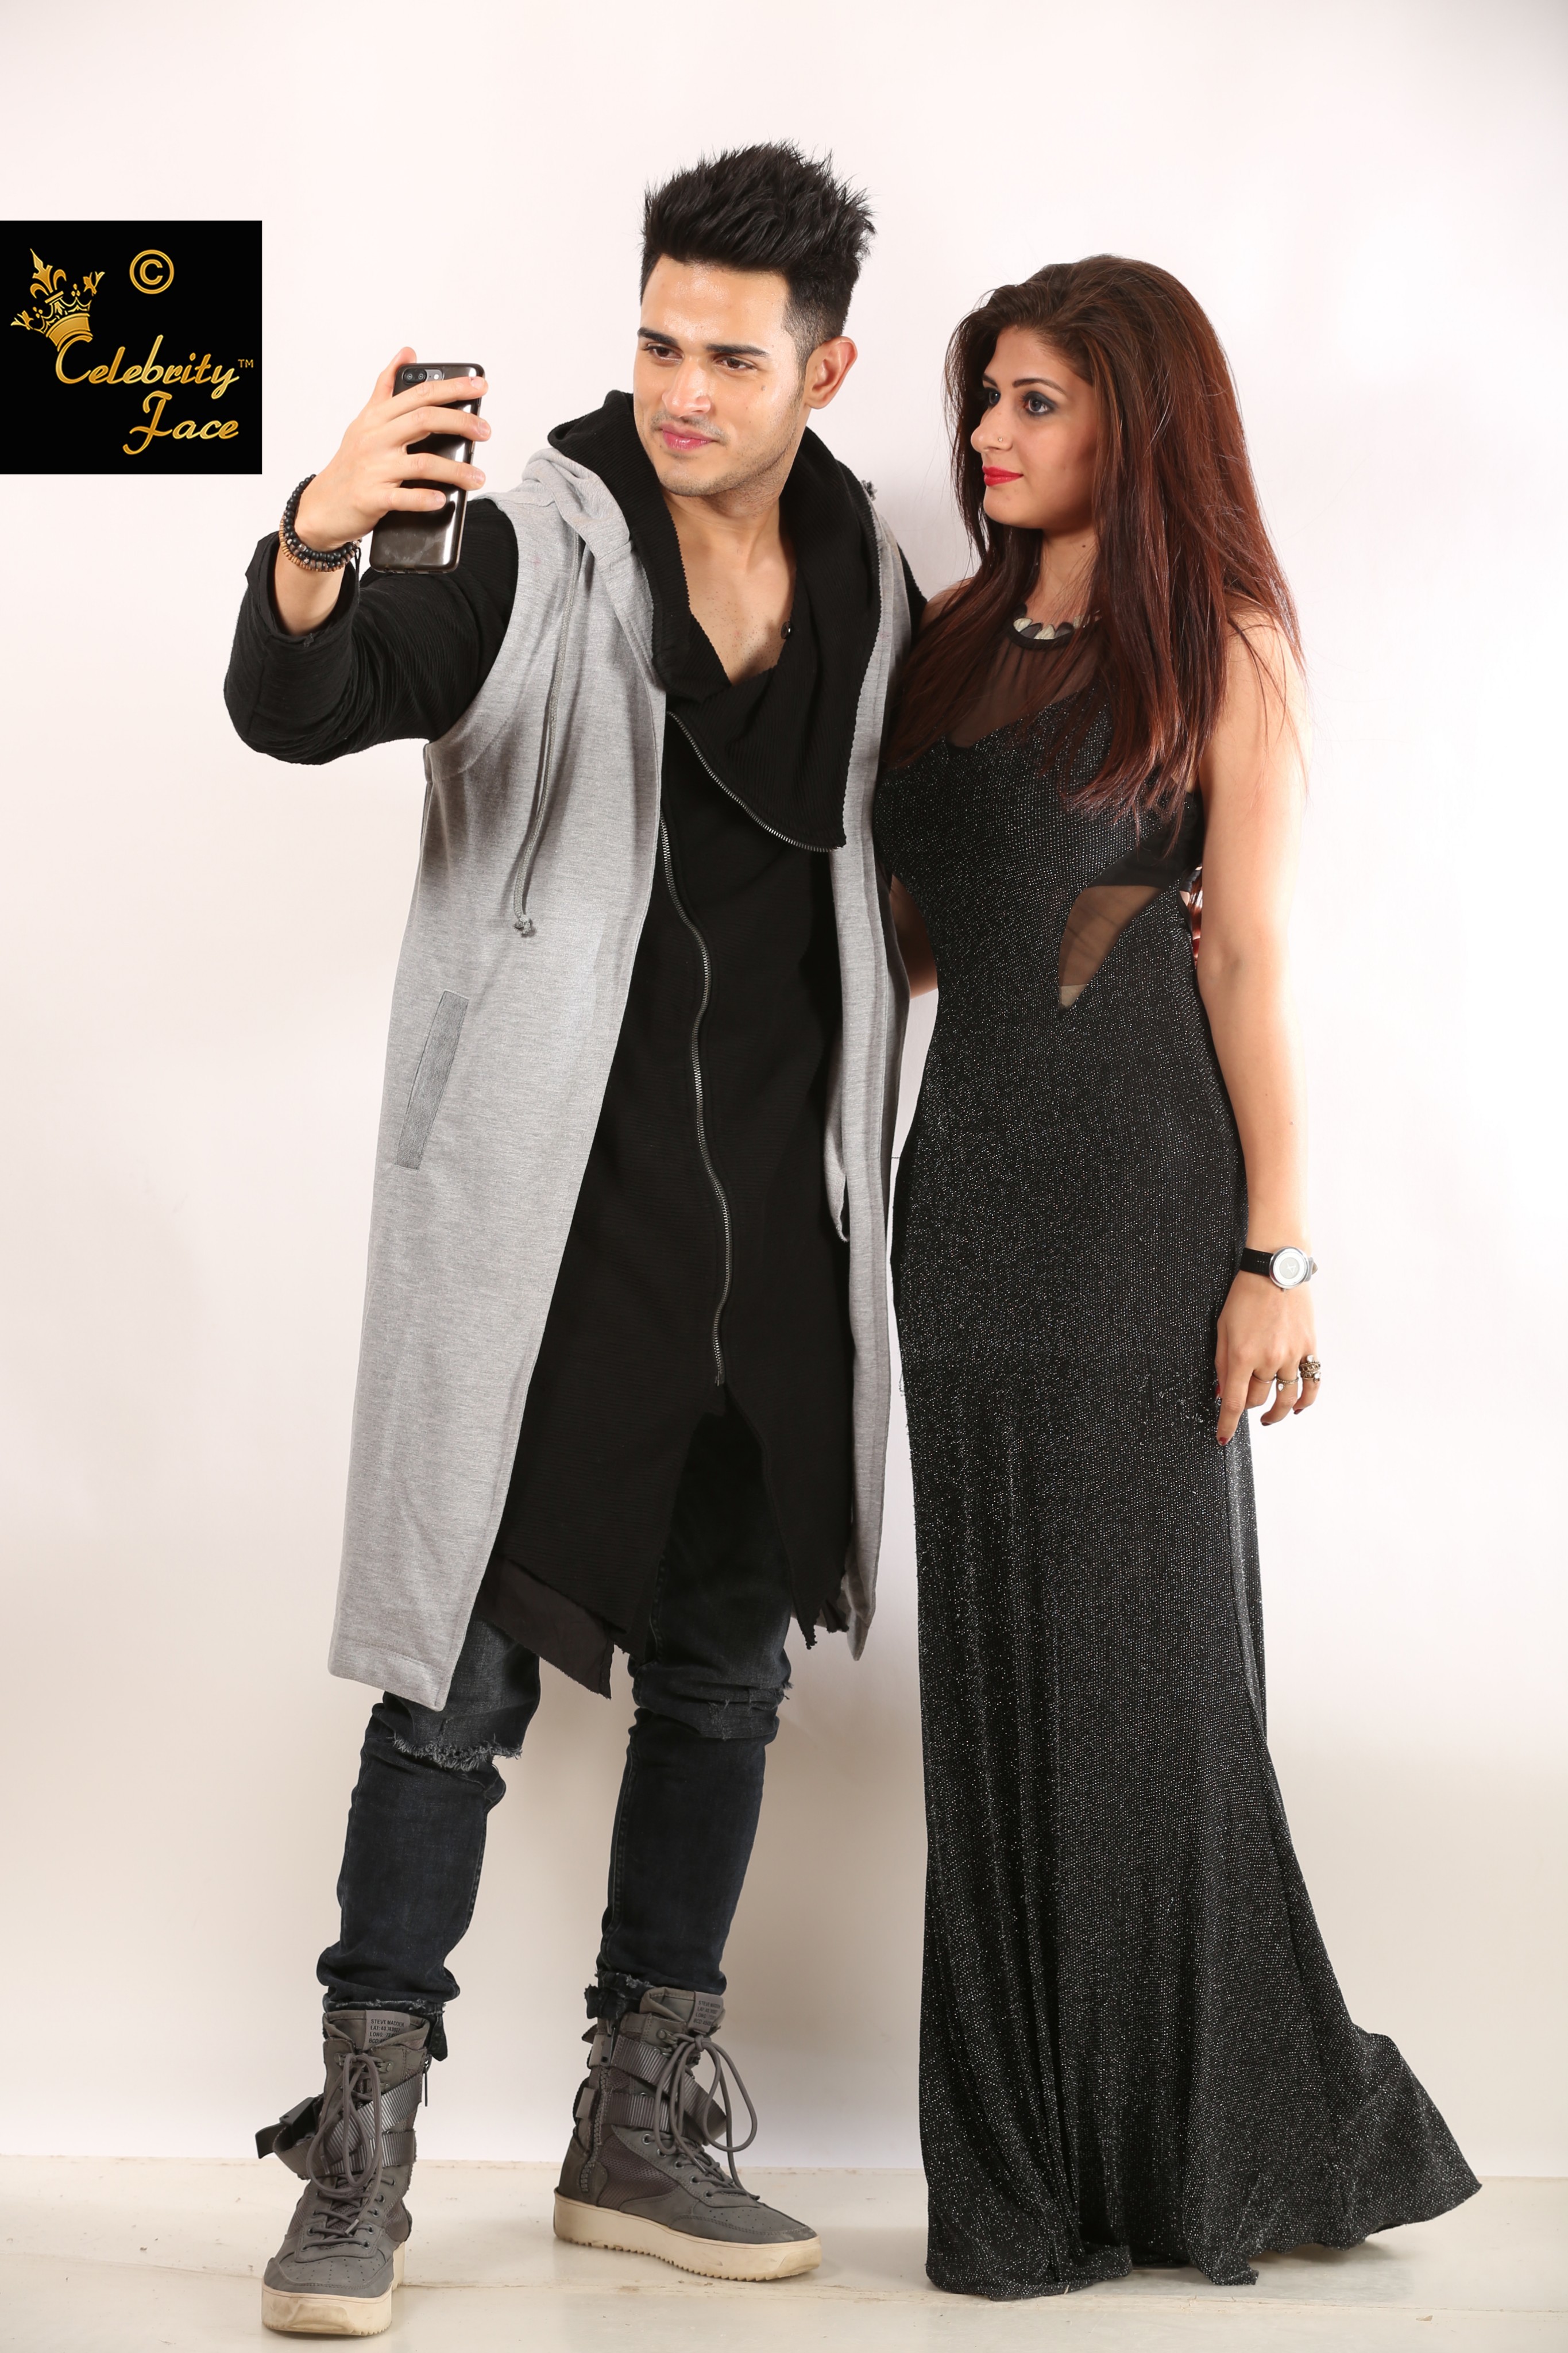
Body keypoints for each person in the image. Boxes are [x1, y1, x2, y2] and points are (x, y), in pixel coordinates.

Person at [225, 144, 919, 2336]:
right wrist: (321, 537)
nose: (684, 389)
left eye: (732, 357)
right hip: (555, 1231)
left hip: (776, 1237)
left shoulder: (872, 577)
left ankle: (636, 2126)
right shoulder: (537, 536)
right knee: (452, 1688)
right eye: (657, 341)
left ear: (824, 372)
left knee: (724, 1684)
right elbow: (315, 701)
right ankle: (360, 2156)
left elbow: (896, 871)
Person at [874, 256, 1477, 2299]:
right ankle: (1030, 2170)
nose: (988, 438)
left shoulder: (1215, 640)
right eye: (984, 399)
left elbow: (1241, 953)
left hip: (1145, 1196)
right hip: (963, 1189)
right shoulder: (948, 643)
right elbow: (936, 937)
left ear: (1139, 422)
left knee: (1148, 1677)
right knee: (990, 1682)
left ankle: (1214, 2141)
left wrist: (1271, 1253)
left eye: (1034, 402)